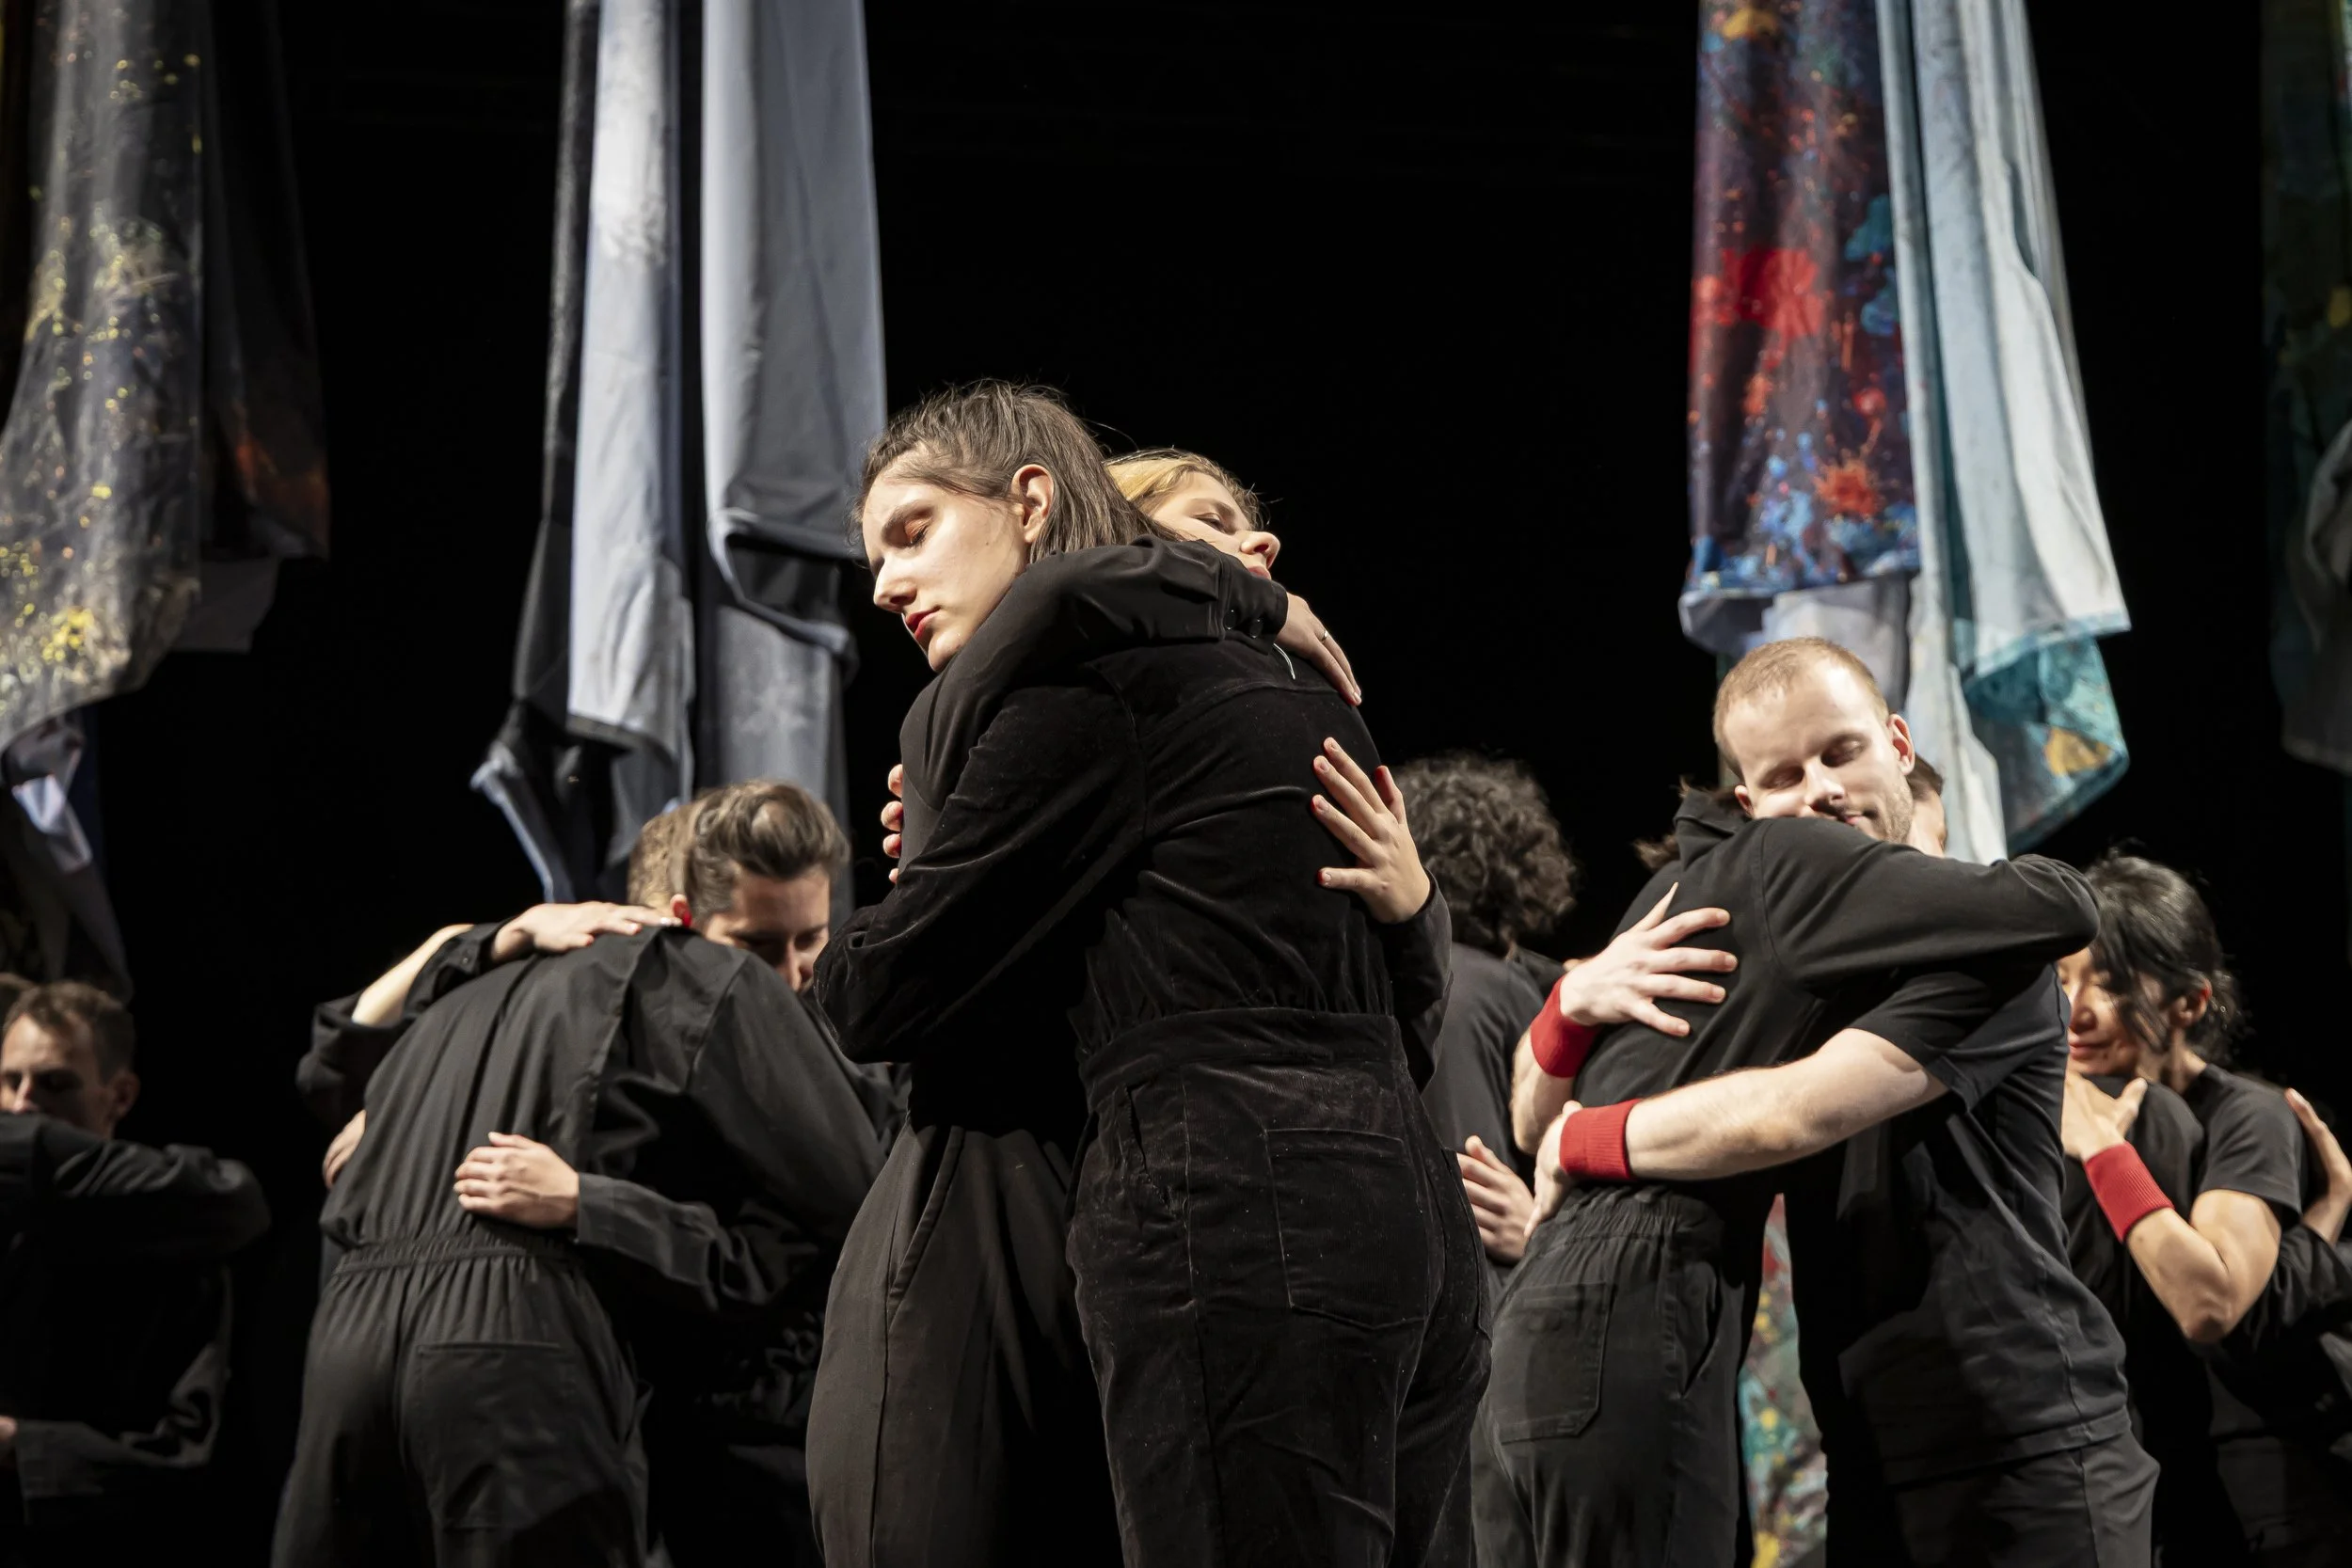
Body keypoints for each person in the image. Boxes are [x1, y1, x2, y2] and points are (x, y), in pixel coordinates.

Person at [815, 383, 1484, 1568]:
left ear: (1029, 503)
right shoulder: (1295, 689)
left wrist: (931, 852)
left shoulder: (1086, 694)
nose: (883, 583)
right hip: (1404, 1213)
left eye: (911, 530)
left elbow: (873, 994)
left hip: (1223, 1194)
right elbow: (1411, 1019)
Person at [1481, 637, 2142, 1568]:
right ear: (1749, 809)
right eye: (1787, 776)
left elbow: (1792, 1112)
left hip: (2016, 1436)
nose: (1821, 791)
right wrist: (1566, 1002)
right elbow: (1527, 1106)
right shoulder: (1787, 961)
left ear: (1899, 746)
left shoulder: (1988, 961)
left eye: (1842, 752)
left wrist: (1586, 1135)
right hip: (1866, 1438)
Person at [273, 786, 888, 1567]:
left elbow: (334, 1059)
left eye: (813, 941)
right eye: (761, 947)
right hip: (546, 1356)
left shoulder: (473, 1001)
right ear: (677, 922)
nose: (793, 976)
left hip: (347, 1345)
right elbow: (858, 1202)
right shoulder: (691, 987)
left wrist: (466, 951)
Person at [2058, 851, 2352, 1563]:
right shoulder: (2067, 1108)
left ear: (2189, 1003)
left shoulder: (2244, 1113)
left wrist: (2104, 1154)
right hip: (2165, 1484)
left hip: (2279, 1479)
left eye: (2114, 984)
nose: (2077, 1011)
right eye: (2064, 979)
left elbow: (2211, 1303)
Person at [0, 982, 270, 1565]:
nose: (22, 1107)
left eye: (53, 1084)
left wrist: (22, 1449)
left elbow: (190, 1460)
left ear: (118, 1096)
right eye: (9, 1082)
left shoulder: (181, 1245)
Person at [1390, 752, 1577, 1283]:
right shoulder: (1488, 990)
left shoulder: (1401, 983)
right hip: (1489, 1302)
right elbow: (1484, 1195)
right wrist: (1539, 1234)